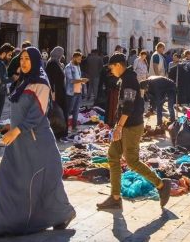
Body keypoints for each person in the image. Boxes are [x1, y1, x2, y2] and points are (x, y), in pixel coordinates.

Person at [0, 48, 75, 237]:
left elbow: (37, 113)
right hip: (18, 142)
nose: (23, 62)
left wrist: (17, 130)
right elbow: (18, 110)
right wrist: (10, 126)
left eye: (28, 59)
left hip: (37, 142)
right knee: (8, 180)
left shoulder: (41, 83)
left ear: (36, 61)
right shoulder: (22, 81)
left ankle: (62, 214)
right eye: (21, 58)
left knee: (46, 182)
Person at [96, 54, 172, 212]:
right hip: (124, 126)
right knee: (113, 156)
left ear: (118, 65)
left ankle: (161, 185)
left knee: (131, 161)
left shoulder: (129, 80)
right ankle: (115, 197)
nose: (111, 71)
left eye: (111, 68)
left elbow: (128, 106)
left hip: (131, 127)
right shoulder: (125, 78)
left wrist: (118, 127)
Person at [64, 50, 87, 135]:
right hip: (71, 92)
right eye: (78, 59)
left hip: (78, 92)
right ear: (74, 58)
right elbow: (70, 80)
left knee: (76, 111)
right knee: (69, 111)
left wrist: (82, 82)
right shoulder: (68, 67)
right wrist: (81, 80)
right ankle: (65, 127)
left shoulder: (78, 66)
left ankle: (74, 127)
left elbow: (78, 78)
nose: (80, 61)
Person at [46, 46, 68, 119]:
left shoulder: (57, 63)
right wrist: (53, 93)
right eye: (61, 53)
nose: (62, 55)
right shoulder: (52, 64)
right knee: (59, 113)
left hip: (60, 91)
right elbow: (51, 80)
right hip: (57, 92)